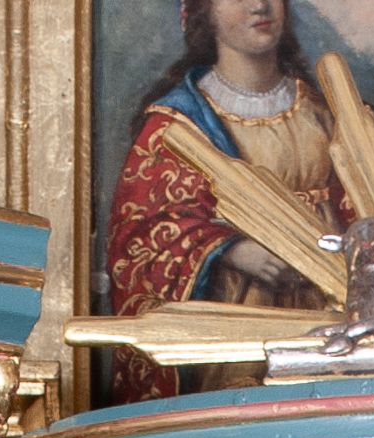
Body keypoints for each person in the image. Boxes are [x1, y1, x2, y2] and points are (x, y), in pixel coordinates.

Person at [106, 0, 341, 402]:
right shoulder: (177, 125)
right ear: (204, 13)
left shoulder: (322, 112)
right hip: (236, 322)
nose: (260, 6)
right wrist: (231, 251)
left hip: (324, 312)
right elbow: (142, 238)